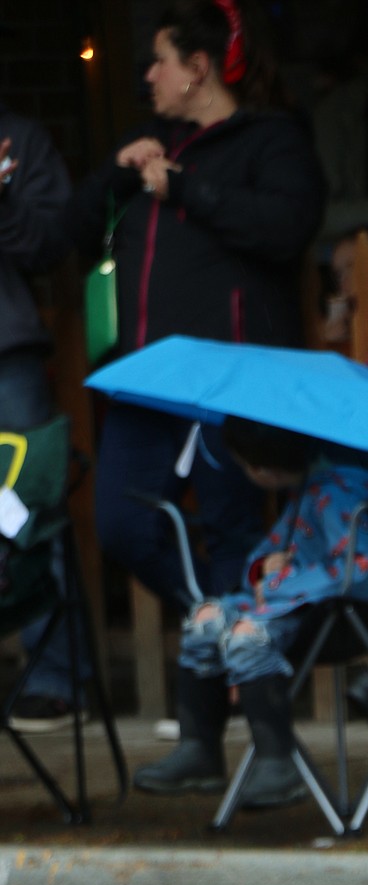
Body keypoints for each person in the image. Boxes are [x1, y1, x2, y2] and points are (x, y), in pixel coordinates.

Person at [66, 0, 326, 621]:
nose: (149, 76)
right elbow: (69, 235)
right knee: (122, 527)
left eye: (159, 62)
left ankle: (243, 692)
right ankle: (219, 616)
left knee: (234, 530)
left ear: (198, 67)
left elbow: (286, 228)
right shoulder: (145, 149)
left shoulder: (272, 140)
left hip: (227, 382)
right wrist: (114, 175)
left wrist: (187, 189)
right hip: (147, 381)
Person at [132, 419, 368, 809]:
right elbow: (274, 558)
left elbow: (362, 569)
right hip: (302, 605)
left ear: (262, 470)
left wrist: (276, 581)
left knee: (245, 634)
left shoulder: (338, 492)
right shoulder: (306, 489)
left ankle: (277, 761)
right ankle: (199, 749)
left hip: (346, 616)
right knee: (205, 620)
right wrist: (267, 568)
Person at [0, 99, 91, 733]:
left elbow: (50, 244)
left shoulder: (17, 137)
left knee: (28, 512)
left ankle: (55, 674)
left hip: (5, 353)